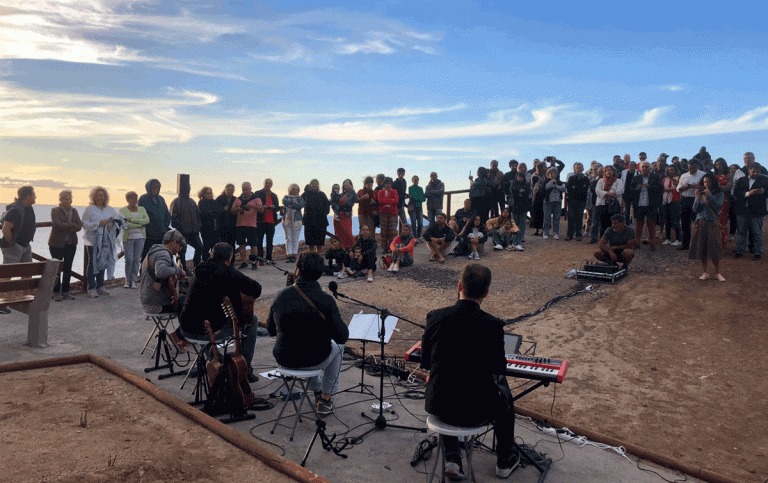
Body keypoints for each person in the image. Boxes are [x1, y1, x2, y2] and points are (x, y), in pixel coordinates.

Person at [421, 264, 519, 480]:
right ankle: (504, 459)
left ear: (459, 286)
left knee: (447, 384)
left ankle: (453, 458)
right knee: (504, 395)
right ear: (486, 293)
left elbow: (425, 362)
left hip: (438, 404)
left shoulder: (435, 317)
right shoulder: (493, 325)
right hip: (476, 412)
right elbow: (498, 368)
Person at [267, 252, 349, 416]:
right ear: (319, 273)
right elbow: (342, 336)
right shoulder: (326, 299)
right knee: (338, 347)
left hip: (284, 358)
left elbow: (270, 330)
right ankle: (325, 399)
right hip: (312, 359)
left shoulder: (280, 295)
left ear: (297, 270)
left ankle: (317, 389)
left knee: (306, 348)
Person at [175, 242, 262, 382]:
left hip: (185, 328)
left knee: (210, 318)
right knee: (253, 320)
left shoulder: (199, 270)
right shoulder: (227, 271)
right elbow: (256, 289)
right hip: (207, 331)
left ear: (211, 255)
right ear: (229, 259)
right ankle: (244, 369)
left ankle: (220, 361)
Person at [82, 187, 118, 298]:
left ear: (105, 197)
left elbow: (117, 222)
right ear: (93, 197)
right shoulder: (90, 209)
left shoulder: (110, 209)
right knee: (93, 264)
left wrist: (111, 224)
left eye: (101, 195)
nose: (99, 197)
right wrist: (98, 223)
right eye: (97, 195)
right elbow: (84, 224)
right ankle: (91, 288)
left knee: (103, 263)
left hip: (106, 241)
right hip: (92, 241)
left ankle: (100, 286)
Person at [139, 229, 187, 314]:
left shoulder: (156, 251)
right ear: (174, 243)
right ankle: (184, 328)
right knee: (188, 303)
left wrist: (174, 271)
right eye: (180, 246)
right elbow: (160, 271)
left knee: (184, 299)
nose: (180, 249)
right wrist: (178, 270)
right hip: (155, 304)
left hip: (147, 301)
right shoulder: (163, 254)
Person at [690, 173, 726, 281]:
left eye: (709, 181)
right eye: (705, 182)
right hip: (701, 221)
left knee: (715, 246)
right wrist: (697, 197)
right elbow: (695, 209)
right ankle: (705, 271)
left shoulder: (719, 193)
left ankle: (717, 272)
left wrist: (709, 195)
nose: (706, 184)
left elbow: (718, 205)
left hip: (712, 221)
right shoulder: (701, 193)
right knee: (702, 247)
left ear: (713, 182)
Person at [48, 189, 82, 301]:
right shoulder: (55, 210)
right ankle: (56, 292)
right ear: (61, 200)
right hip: (56, 243)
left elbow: (79, 225)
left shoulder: (74, 211)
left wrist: (69, 225)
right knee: (56, 269)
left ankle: (66, 291)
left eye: (69, 199)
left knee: (68, 267)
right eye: (65, 199)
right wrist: (72, 225)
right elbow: (58, 224)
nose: (68, 201)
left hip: (71, 243)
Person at [733, 162, 768, 260]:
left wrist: (764, 192)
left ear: (760, 171)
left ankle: (758, 253)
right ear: (749, 170)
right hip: (742, 210)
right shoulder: (741, 180)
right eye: (753, 171)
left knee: (757, 232)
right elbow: (736, 193)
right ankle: (739, 251)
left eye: (757, 172)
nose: (755, 173)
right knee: (741, 232)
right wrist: (748, 193)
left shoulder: (765, 180)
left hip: (758, 211)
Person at [628, 161, 663, 251]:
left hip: (651, 204)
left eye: (646, 167)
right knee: (639, 224)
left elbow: (660, 189)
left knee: (651, 224)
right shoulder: (636, 178)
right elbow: (630, 190)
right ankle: (637, 243)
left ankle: (652, 244)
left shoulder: (656, 177)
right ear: (640, 168)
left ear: (650, 168)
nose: (644, 169)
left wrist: (650, 186)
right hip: (639, 204)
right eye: (643, 167)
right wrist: (637, 188)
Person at [119, 191, 149, 289]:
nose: (134, 200)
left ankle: (134, 280)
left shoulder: (142, 209)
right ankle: (127, 280)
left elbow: (147, 220)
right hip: (128, 238)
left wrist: (133, 221)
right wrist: (140, 224)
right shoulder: (122, 210)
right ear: (127, 199)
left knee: (136, 260)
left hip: (140, 237)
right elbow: (125, 225)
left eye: (135, 198)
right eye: (132, 198)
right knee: (129, 260)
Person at [2, 186, 37, 264]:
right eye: (34, 195)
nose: (35, 197)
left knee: (27, 273)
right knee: (8, 273)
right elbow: (5, 229)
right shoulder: (14, 211)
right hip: (14, 246)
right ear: (28, 196)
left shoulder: (29, 208)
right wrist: (13, 245)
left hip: (26, 245)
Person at [138, 179, 171, 262]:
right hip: (148, 235)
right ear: (149, 187)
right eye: (154, 186)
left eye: (158, 187)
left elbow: (167, 214)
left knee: (159, 255)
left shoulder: (161, 199)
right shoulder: (143, 199)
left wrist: (165, 226)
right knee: (146, 256)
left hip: (161, 233)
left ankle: (157, 273)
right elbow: (140, 215)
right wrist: (147, 229)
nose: (156, 188)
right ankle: (143, 273)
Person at [232, 182, 263, 269]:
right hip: (240, 225)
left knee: (253, 245)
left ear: (250, 189)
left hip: (251, 226)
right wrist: (237, 209)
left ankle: (254, 262)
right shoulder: (238, 199)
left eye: (246, 189)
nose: (245, 191)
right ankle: (244, 262)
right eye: (243, 189)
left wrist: (252, 207)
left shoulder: (256, 199)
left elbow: (261, 209)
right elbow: (232, 210)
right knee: (241, 244)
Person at [676, 160, 706, 251]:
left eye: (693, 167)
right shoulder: (684, 175)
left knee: (697, 223)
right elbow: (678, 188)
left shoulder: (703, 175)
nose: (691, 169)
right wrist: (683, 187)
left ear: (697, 166)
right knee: (685, 223)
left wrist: (695, 187)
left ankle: (697, 245)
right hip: (685, 199)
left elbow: (706, 187)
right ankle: (685, 244)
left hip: (696, 199)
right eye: (689, 167)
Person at [595, 165, 623, 242]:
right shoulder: (601, 180)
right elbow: (597, 191)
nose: (608, 172)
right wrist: (608, 193)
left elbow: (620, 191)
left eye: (610, 170)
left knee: (614, 224)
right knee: (603, 224)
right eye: (607, 170)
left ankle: (614, 241)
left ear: (613, 171)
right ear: (604, 172)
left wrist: (610, 193)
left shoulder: (618, 181)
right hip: (602, 204)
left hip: (614, 205)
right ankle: (603, 241)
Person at [255, 178, 280, 263]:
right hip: (260, 220)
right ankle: (260, 258)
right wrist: (262, 207)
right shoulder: (257, 193)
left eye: (269, 183)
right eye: (266, 183)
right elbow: (255, 206)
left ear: (271, 185)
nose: (268, 184)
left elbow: (277, 207)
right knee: (259, 241)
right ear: (263, 183)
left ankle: (269, 258)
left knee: (270, 241)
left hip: (271, 221)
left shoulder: (274, 195)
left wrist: (273, 207)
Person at [302, 179, 330, 253]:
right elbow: (299, 202)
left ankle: (318, 258)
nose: (314, 185)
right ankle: (310, 258)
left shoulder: (322, 194)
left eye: (316, 184)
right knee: (310, 242)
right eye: (312, 184)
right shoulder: (306, 194)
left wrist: (323, 213)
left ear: (318, 185)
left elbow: (327, 206)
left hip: (320, 220)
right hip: (309, 220)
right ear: (310, 185)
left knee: (319, 242)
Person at [197, 186, 224, 263]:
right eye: (207, 193)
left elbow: (220, 211)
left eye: (210, 193)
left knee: (215, 247)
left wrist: (213, 212)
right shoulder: (201, 203)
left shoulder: (214, 202)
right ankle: (206, 262)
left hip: (215, 229)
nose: (209, 195)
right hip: (206, 229)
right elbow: (205, 213)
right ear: (203, 194)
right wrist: (214, 212)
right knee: (206, 246)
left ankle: (214, 262)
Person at [565, 163, 590, 241]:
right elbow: (568, 188)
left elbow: (586, 189)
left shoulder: (586, 179)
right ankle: (569, 235)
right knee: (571, 217)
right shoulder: (571, 178)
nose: (578, 169)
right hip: (572, 200)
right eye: (577, 168)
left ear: (583, 169)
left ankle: (578, 234)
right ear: (574, 169)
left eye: (580, 168)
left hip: (581, 200)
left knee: (579, 217)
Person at [333, 179, 358, 250]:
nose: (345, 186)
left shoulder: (352, 194)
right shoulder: (341, 194)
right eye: (344, 184)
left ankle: (352, 247)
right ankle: (341, 248)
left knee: (347, 232)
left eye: (347, 184)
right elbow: (335, 202)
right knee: (339, 233)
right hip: (338, 216)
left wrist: (352, 189)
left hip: (346, 215)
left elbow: (356, 199)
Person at [282, 183, 304, 263]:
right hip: (287, 220)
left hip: (297, 220)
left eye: (297, 189)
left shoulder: (300, 198)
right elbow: (284, 201)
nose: (295, 191)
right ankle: (289, 254)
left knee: (295, 238)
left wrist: (292, 205)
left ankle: (294, 254)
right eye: (293, 189)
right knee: (288, 238)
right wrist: (294, 204)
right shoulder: (286, 197)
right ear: (290, 190)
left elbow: (301, 205)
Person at [508, 168, 531, 244]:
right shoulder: (513, 184)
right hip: (515, 206)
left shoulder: (526, 185)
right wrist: (520, 191)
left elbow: (527, 193)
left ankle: (521, 237)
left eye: (521, 177)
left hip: (523, 206)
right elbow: (512, 192)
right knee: (515, 222)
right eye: (518, 177)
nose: (520, 178)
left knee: (522, 223)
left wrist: (521, 192)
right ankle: (515, 237)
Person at [541, 167, 566, 240]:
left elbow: (563, 188)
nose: (552, 175)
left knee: (557, 218)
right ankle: (545, 232)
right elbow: (546, 187)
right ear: (548, 175)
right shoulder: (546, 181)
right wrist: (551, 182)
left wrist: (556, 186)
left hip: (557, 202)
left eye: (554, 173)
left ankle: (556, 233)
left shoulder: (560, 182)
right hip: (548, 202)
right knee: (547, 218)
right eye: (551, 173)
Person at [661, 165, 682, 246]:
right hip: (666, 201)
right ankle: (667, 238)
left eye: (672, 169)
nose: (670, 171)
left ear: (675, 170)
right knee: (667, 221)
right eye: (669, 170)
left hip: (675, 201)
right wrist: (666, 190)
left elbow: (680, 189)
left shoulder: (679, 178)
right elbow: (661, 189)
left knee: (676, 221)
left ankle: (678, 239)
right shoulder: (664, 180)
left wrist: (676, 185)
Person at [377, 177, 399, 254]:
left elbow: (396, 200)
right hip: (383, 213)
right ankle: (385, 248)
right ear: (384, 184)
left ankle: (392, 247)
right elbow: (380, 200)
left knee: (392, 231)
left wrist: (386, 202)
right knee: (384, 231)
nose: (388, 185)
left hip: (393, 213)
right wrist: (391, 200)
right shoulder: (380, 191)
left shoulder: (394, 191)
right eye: (386, 183)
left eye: (389, 183)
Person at [713, 158, 732, 247]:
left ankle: (722, 242)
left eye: (720, 164)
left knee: (722, 221)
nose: (718, 166)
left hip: (724, 201)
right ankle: (713, 243)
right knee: (713, 221)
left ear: (724, 165)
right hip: (713, 200)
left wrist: (716, 187)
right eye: (716, 164)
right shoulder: (713, 175)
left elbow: (727, 188)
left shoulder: (729, 175)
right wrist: (720, 187)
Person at [216, 184, 238, 249]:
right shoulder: (219, 198)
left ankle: (232, 259)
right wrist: (223, 209)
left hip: (233, 226)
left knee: (232, 244)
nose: (230, 191)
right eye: (228, 189)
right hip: (221, 226)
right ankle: (223, 259)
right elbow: (215, 211)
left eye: (232, 190)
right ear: (225, 189)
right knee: (222, 244)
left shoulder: (235, 199)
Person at [530, 162, 547, 236]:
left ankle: (544, 230)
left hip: (545, 195)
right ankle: (536, 229)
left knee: (544, 213)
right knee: (537, 213)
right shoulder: (535, 175)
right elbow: (534, 185)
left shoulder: (546, 175)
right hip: (537, 195)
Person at [408, 176, 425, 240]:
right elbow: (412, 197)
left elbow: (424, 198)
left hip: (419, 207)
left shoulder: (420, 188)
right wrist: (419, 197)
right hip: (412, 207)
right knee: (413, 223)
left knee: (420, 223)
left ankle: (418, 236)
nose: (416, 180)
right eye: (415, 179)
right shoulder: (410, 188)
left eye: (417, 179)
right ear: (412, 180)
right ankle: (414, 237)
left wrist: (418, 197)